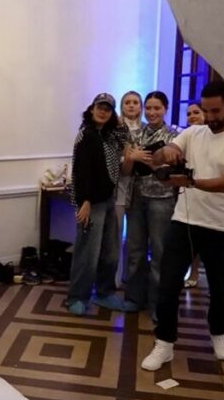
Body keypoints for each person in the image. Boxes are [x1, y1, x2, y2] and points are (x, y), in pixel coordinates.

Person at [141, 80, 224, 371]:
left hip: (221, 225)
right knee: (168, 284)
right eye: (206, 110)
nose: (210, 117)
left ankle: (219, 335)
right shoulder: (193, 133)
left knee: (220, 289)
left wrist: (189, 182)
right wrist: (167, 150)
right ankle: (164, 343)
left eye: (216, 111)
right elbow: (157, 158)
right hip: (183, 221)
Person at [66, 93, 128, 316]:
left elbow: (125, 137)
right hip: (91, 202)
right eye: (99, 107)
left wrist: (117, 119)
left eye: (108, 109)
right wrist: (85, 201)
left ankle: (104, 292)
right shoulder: (86, 135)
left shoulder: (109, 135)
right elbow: (81, 171)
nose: (103, 112)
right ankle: (77, 296)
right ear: (91, 109)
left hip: (109, 199)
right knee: (87, 253)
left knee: (111, 251)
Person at [123, 91, 178, 319]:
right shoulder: (136, 134)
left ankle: (158, 305)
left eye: (157, 108)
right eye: (149, 108)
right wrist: (134, 158)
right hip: (136, 197)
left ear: (165, 109)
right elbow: (128, 167)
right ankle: (135, 298)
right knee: (135, 250)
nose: (152, 112)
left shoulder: (174, 135)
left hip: (162, 199)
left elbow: (174, 168)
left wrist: (152, 162)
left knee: (159, 252)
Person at [116, 91, 145, 283]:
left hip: (140, 187)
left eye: (135, 102)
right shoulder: (115, 128)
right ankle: (115, 278)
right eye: (127, 102)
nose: (132, 105)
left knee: (136, 238)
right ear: (122, 106)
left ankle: (132, 277)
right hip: (118, 186)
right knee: (116, 235)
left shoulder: (146, 128)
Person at [184, 102, 205, 288]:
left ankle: (199, 271)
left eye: (196, 112)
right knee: (189, 235)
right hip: (187, 189)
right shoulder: (185, 136)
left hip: (210, 190)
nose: (192, 116)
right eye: (189, 113)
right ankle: (192, 270)